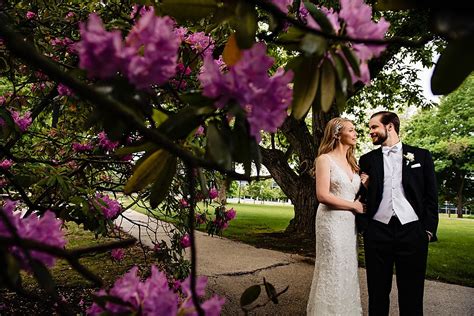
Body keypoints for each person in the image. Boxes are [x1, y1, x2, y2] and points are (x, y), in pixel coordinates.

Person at [358, 111, 439, 315]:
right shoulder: (367, 159)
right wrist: (365, 228)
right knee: (377, 292)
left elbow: (431, 196)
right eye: (370, 128)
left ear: (390, 127)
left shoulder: (421, 155)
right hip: (377, 232)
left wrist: (427, 230)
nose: (371, 132)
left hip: (412, 232)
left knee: (412, 293)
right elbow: (361, 195)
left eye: (374, 127)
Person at [307, 117, 366, 315]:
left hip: (349, 225)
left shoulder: (353, 164)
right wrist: (354, 207)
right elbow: (322, 195)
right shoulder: (324, 159)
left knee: (347, 268)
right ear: (337, 133)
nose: (355, 133)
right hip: (330, 222)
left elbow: (353, 191)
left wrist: (365, 184)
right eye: (351, 130)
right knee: (333, 266)